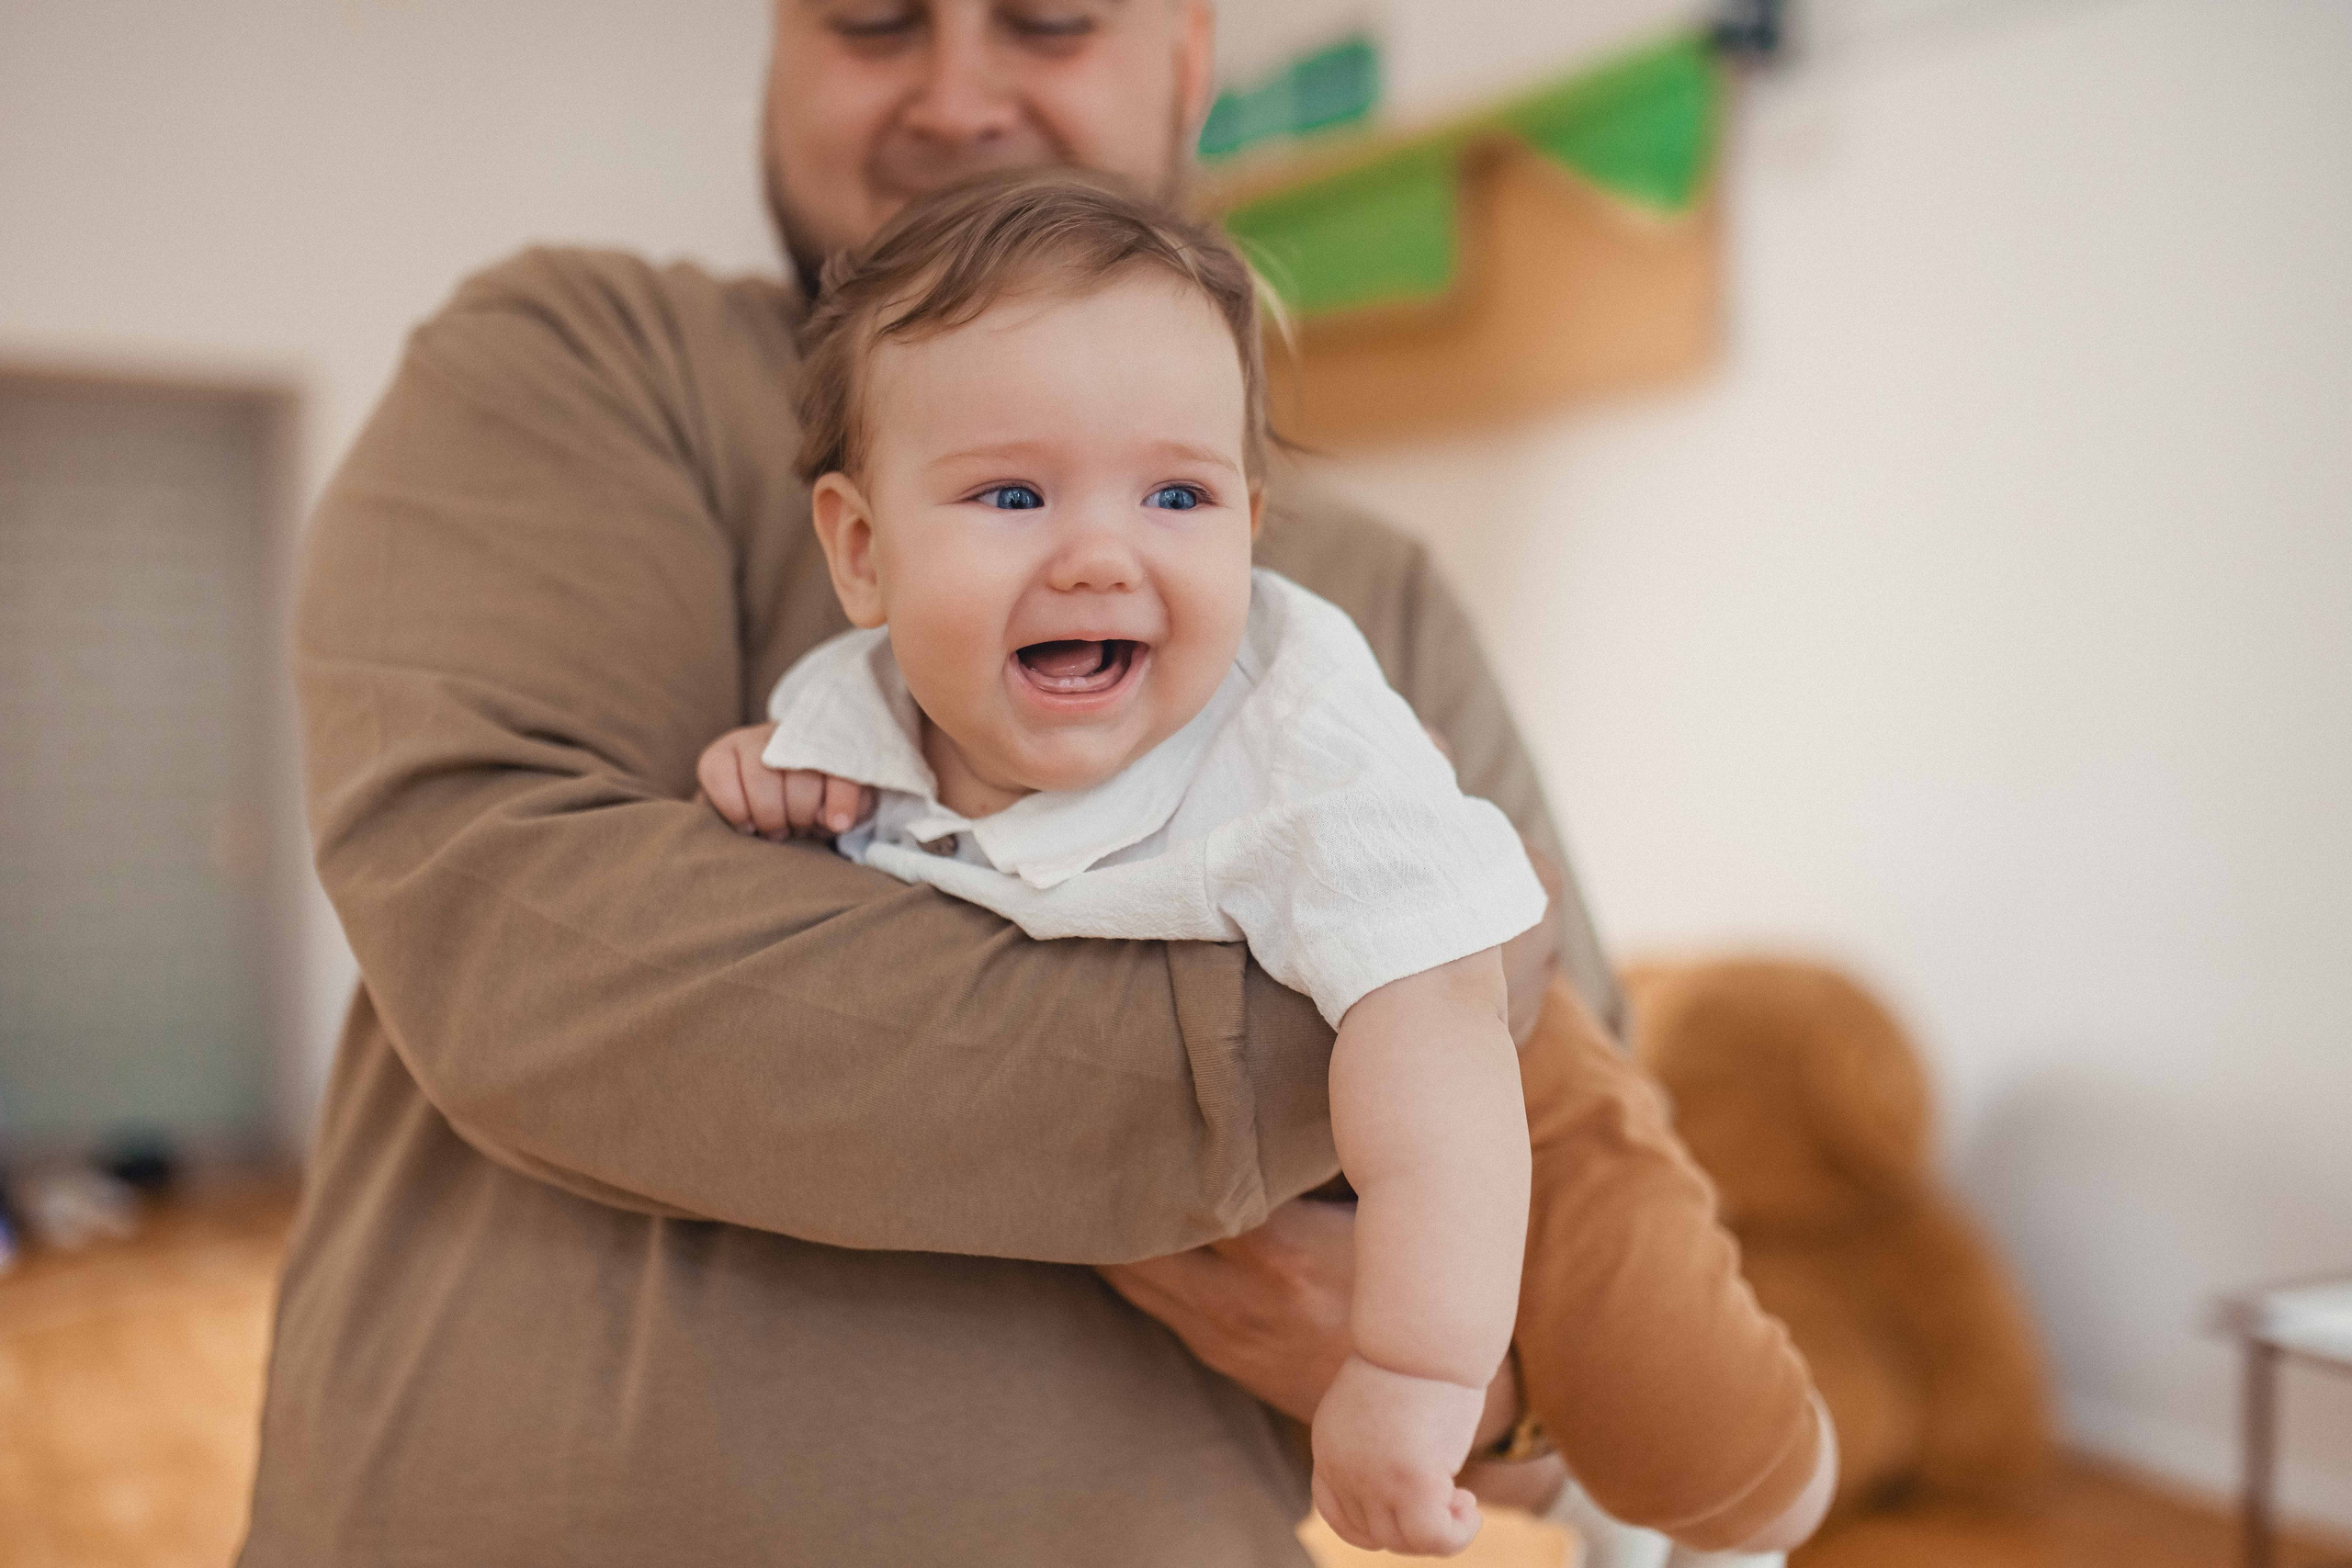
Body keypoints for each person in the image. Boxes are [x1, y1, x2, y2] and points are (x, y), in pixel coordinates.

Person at [241, 4, 1832, 1563]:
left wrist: (1478, 1385)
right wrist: (1337, 1032)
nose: (955, 91)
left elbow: (1563, 1167)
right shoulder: (586, 356)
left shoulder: (1351, 614)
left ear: (1189, 63)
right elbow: (530, 959)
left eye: (1049, 23)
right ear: (851, 540)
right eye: (872, 25)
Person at [699, 174, 1541, 1554]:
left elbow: (1444, 1024)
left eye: (1175, 493)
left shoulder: (1301, 753)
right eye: (1015, 492)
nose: (1102, 554)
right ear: (861, 551)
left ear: (1250, 525)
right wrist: (767, 767)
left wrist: (1410, 1368)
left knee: (1681, 1373)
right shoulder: (849, 703)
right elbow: (822, 786)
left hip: (1504, 1088)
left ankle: (1723, 1507)